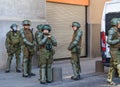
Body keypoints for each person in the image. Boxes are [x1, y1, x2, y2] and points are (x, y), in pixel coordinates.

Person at [107, 18, 120, 85]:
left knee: (112, 66)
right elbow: (109, 41)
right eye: (119, 23)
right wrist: (118, 40)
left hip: (116, 50)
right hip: (114, 51)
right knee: (118, 65)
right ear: (115, 24)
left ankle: (109, 80)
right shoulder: (112, 31)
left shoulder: (117, 30)